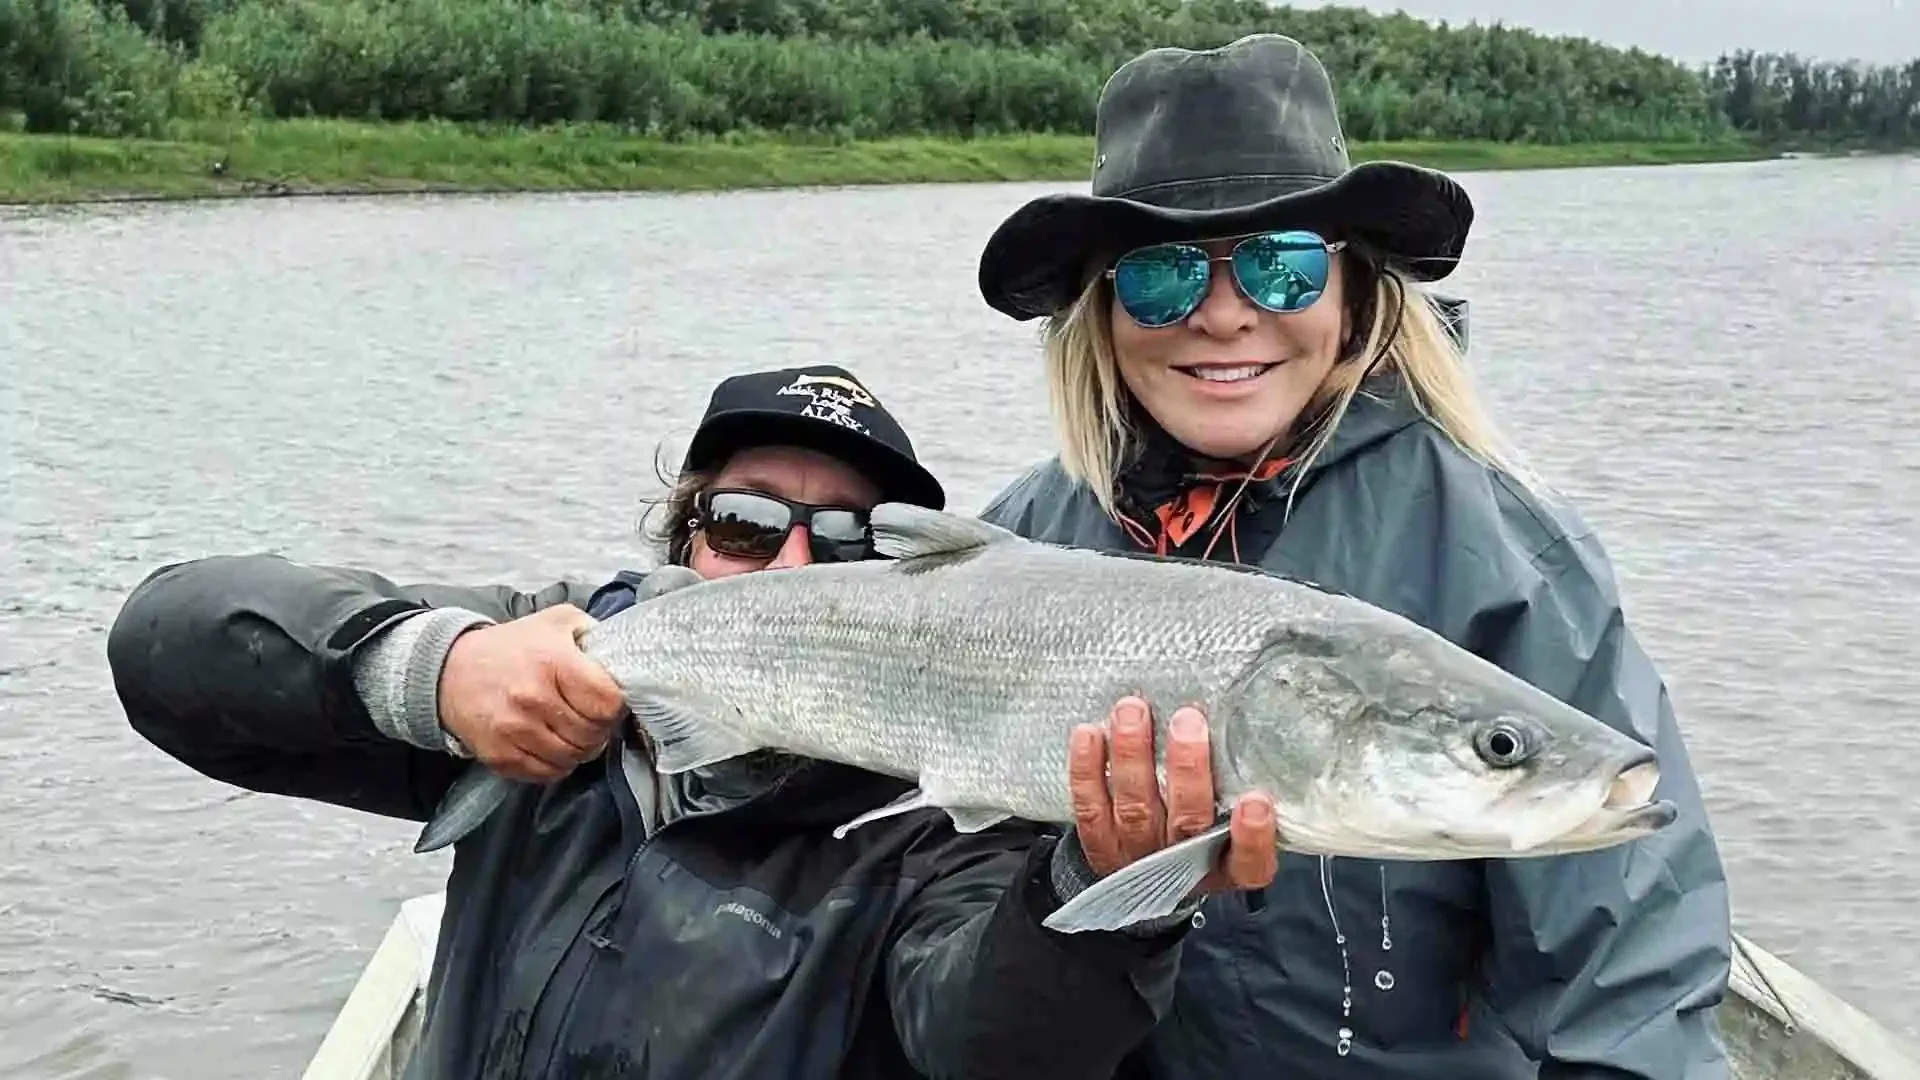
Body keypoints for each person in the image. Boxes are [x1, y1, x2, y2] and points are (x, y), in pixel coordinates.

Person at [108, 363, 1279, 1080]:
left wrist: (1104, 898)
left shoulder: (952, 800)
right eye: (747, 523)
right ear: (684, 540)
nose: (794, 563)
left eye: (854, 539)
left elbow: (996, 1052)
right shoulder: (555, 658)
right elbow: (173, 649)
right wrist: (435, 670)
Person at [971, 33, 1733, 1080]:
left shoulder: (1504, 553)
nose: (1225, 312)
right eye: (1159, 274)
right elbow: (947, 978)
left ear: (1355, 289)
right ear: (1100, 309)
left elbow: (1632, 987)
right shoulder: (1015, 542)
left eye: (1283, 265)